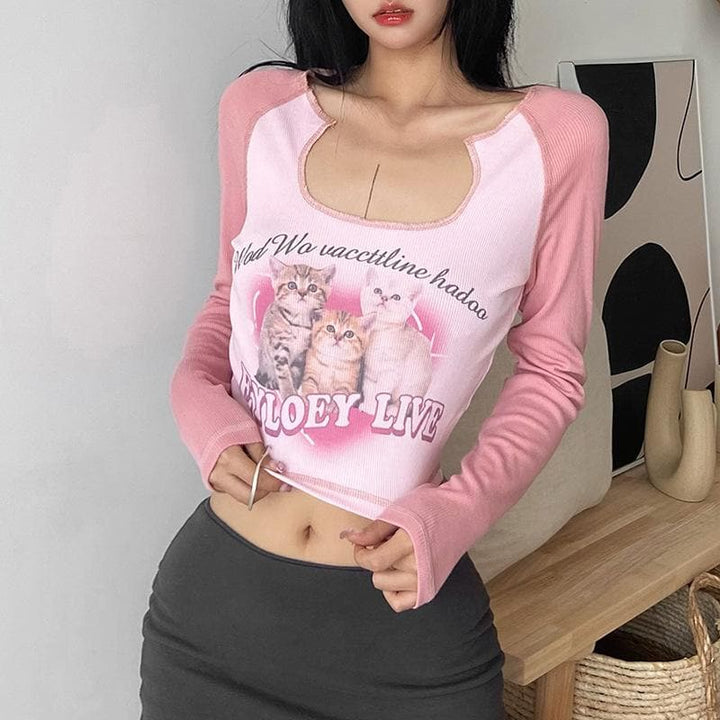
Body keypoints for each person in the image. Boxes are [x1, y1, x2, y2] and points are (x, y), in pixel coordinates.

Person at [138, 1, 610, 718]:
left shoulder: (554, 138)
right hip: (214, 620)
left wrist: (457, 512)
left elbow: (552, 372)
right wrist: (199, 409)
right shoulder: (260, 110)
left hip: (400, 642)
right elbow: (226, 301)